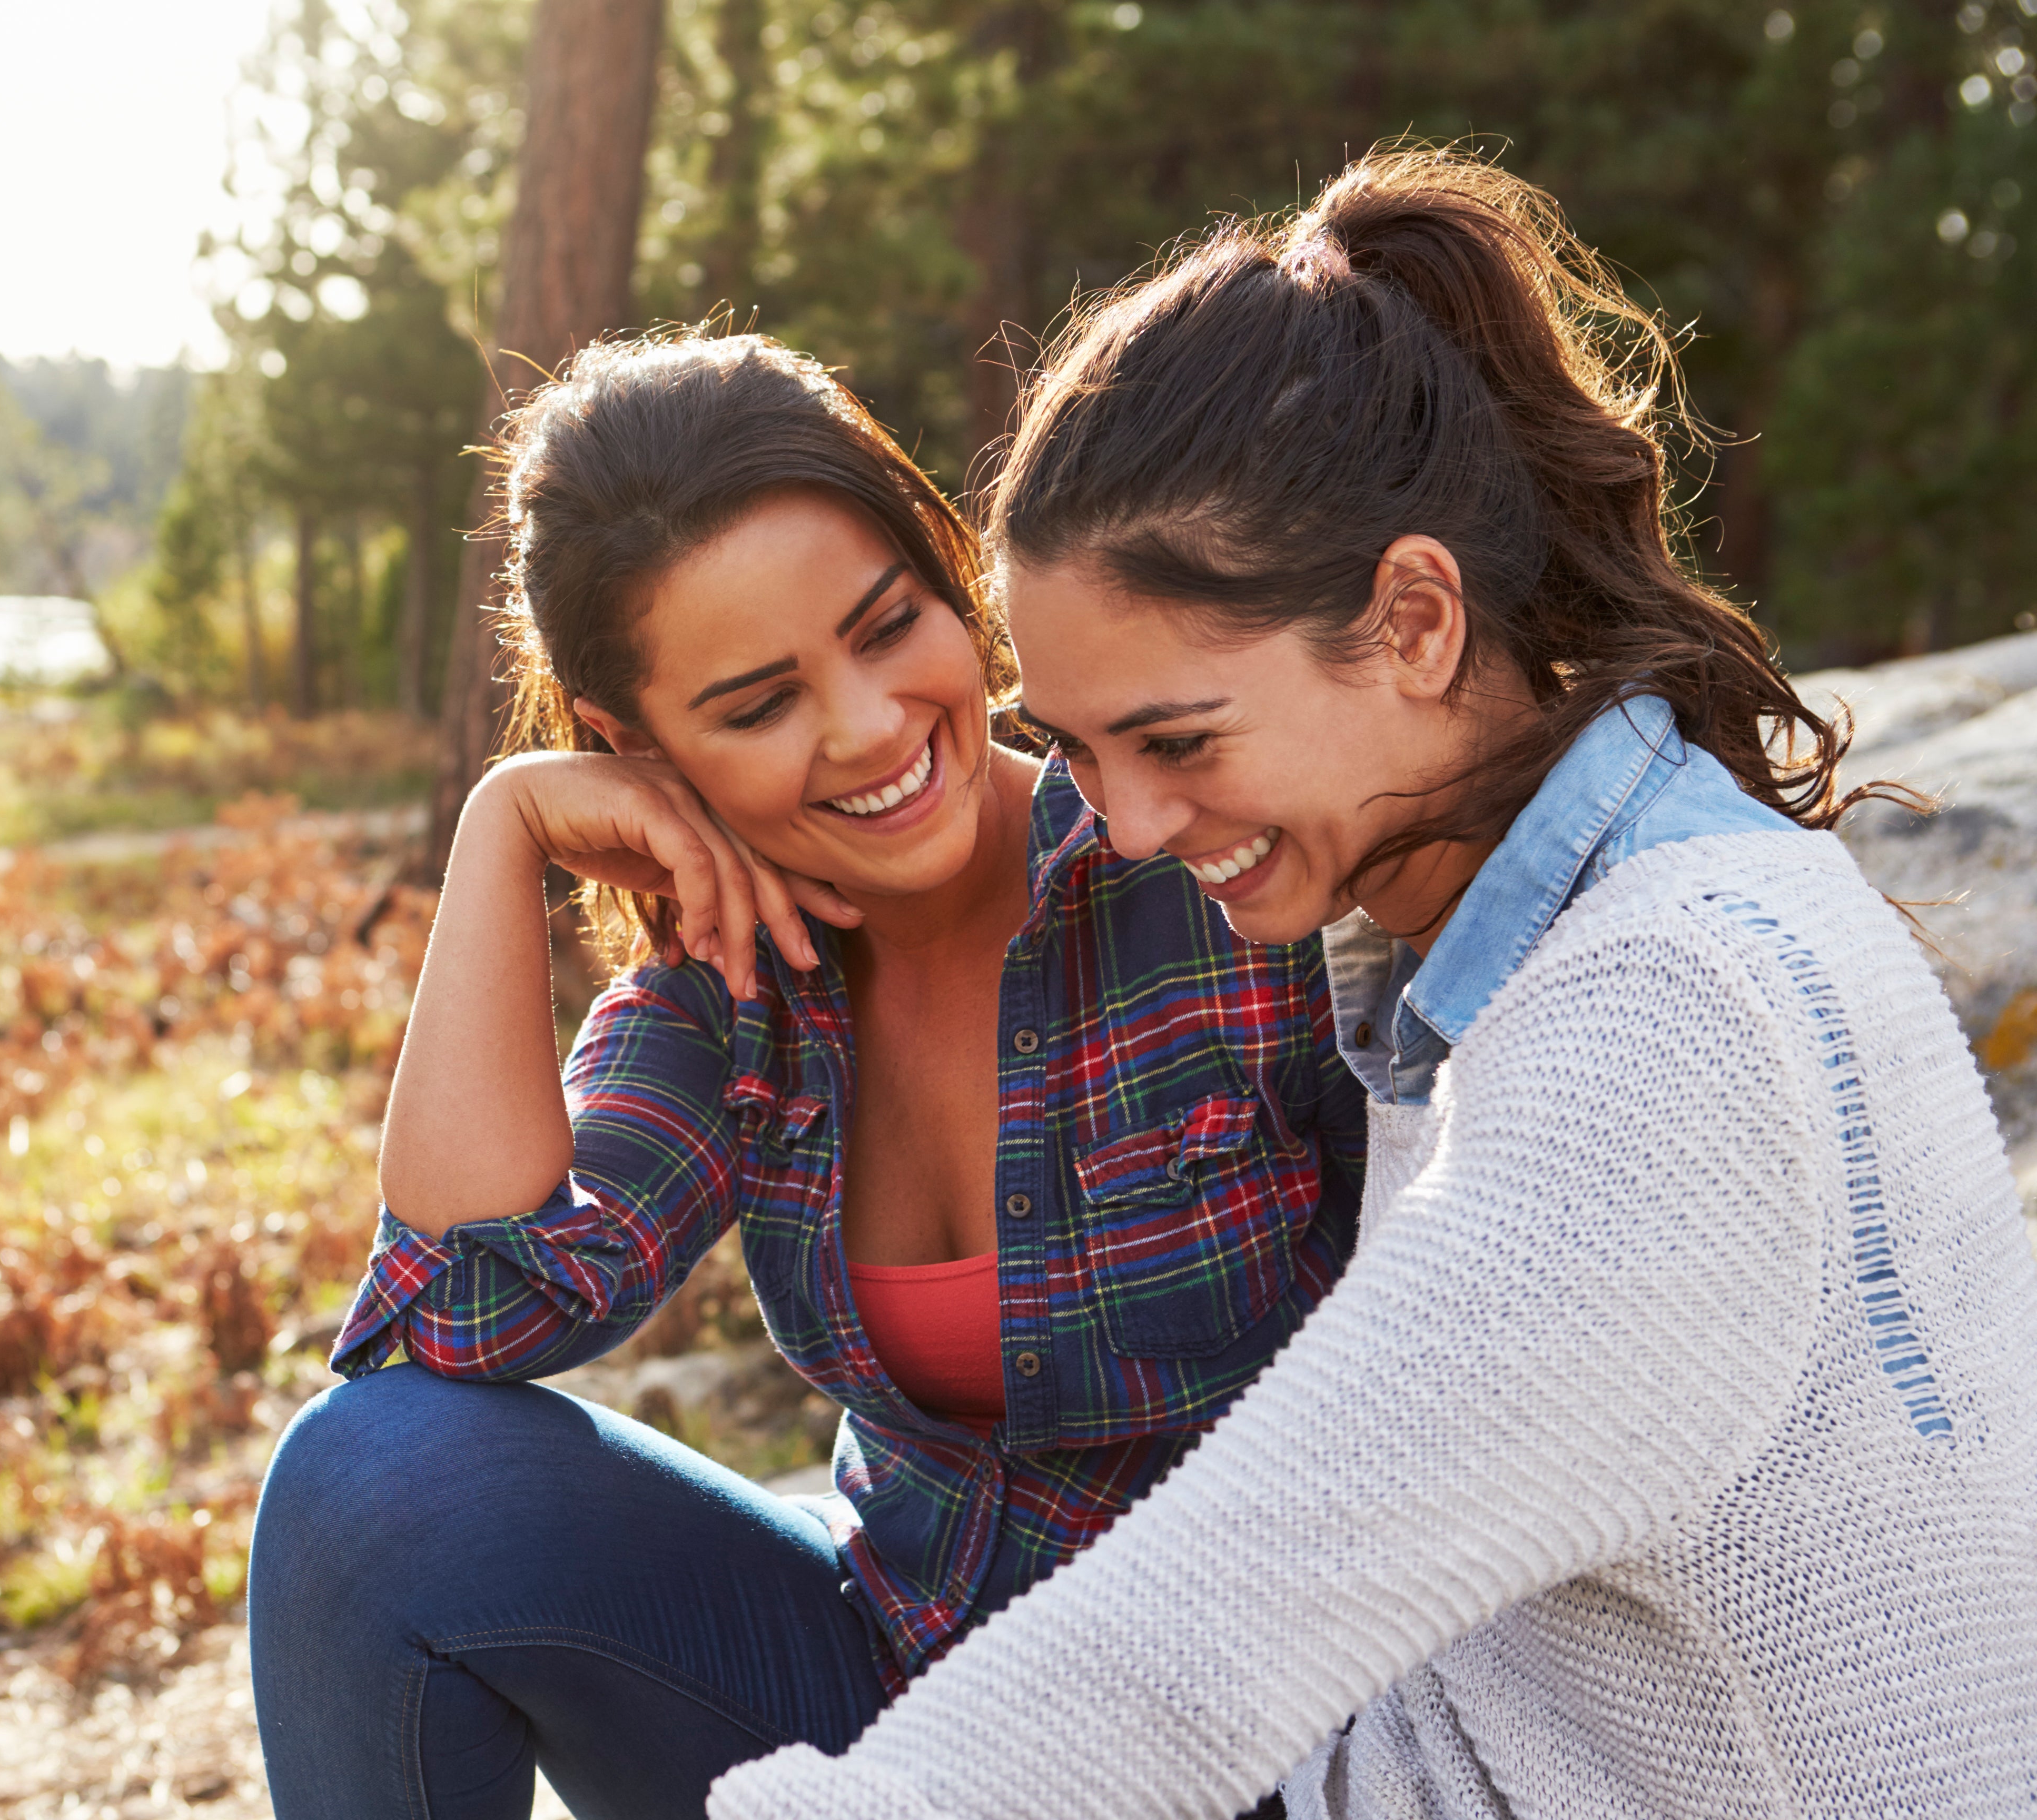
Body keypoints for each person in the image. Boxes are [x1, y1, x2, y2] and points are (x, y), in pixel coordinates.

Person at [708, 147, 2037, 1820]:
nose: (1116, 828)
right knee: (441, 1507)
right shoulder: (1639, 908)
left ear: (1415, 617)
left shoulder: (1666, 1037)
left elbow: (1199, 1652)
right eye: (1084, 750)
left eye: (1179, 739)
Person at [246, 328, 1365, 1819]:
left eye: (888, 625)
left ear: (949, 573)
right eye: (759, 705)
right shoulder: (734, 997)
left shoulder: (1212, 877)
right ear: (635, 748)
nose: (868, 727)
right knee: (368, 1488)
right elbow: (456, 1322)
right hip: (897, 1713)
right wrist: (502, 828)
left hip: (1263, 1741)